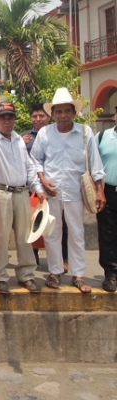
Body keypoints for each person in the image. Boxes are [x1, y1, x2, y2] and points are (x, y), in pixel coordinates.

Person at [31, 88, 106, 293]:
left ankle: (78, 274)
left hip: (76, 191)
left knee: (77, 232)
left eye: (66, 111)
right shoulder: (45, 133)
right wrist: (43, 181)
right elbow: (36, 160)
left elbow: (95, 163)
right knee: (52, 233)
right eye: (58, 112)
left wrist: (100, 191)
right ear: (52, 114)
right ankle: (55, 271)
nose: (63, 115)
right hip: (52, 192)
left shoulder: (85, 132)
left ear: (73, 113)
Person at [0, 102, 47, 294]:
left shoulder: (19, 139)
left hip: (21, 193)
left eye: (10, 117)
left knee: (25, 236)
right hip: (0, 193)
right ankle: (0, 276)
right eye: (3, 117)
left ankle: (27, 274)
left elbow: (29, 167)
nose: (7, 121)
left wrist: (37, 188)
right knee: (0, 237)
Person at [21, 104, 69, 269]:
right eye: (34, 116)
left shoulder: (54, 134)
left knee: (58, 224)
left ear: (48, 117)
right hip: (30, 188)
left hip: (52, 187)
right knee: (33, 223)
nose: (38, 119)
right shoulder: (24, 136)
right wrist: (21, 143)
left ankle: (63, 259)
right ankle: (33, 258)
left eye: (41, 116)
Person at [96, 107, 117, 292]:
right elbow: (93, 164)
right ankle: (110, 273)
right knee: (108, 233)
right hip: (109, 191)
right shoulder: (102, 137)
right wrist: (98, 190)